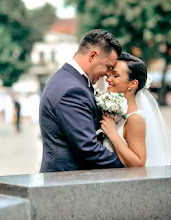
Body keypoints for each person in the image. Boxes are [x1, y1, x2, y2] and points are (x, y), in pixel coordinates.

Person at [39, 29, 124, 172]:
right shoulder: (72, 90)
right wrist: (127, 166)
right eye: (108, 67)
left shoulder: (69, 80)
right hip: (64, 181)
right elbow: (88, 148)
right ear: (92, 56)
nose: (107, 74)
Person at [101, 52, 171, 167]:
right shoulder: (119, 114)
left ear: (132, 84)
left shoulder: (135, 118)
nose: (108, 79)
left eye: (115, 76)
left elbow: (139, 163)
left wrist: (112, 134)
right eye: (109, 75)